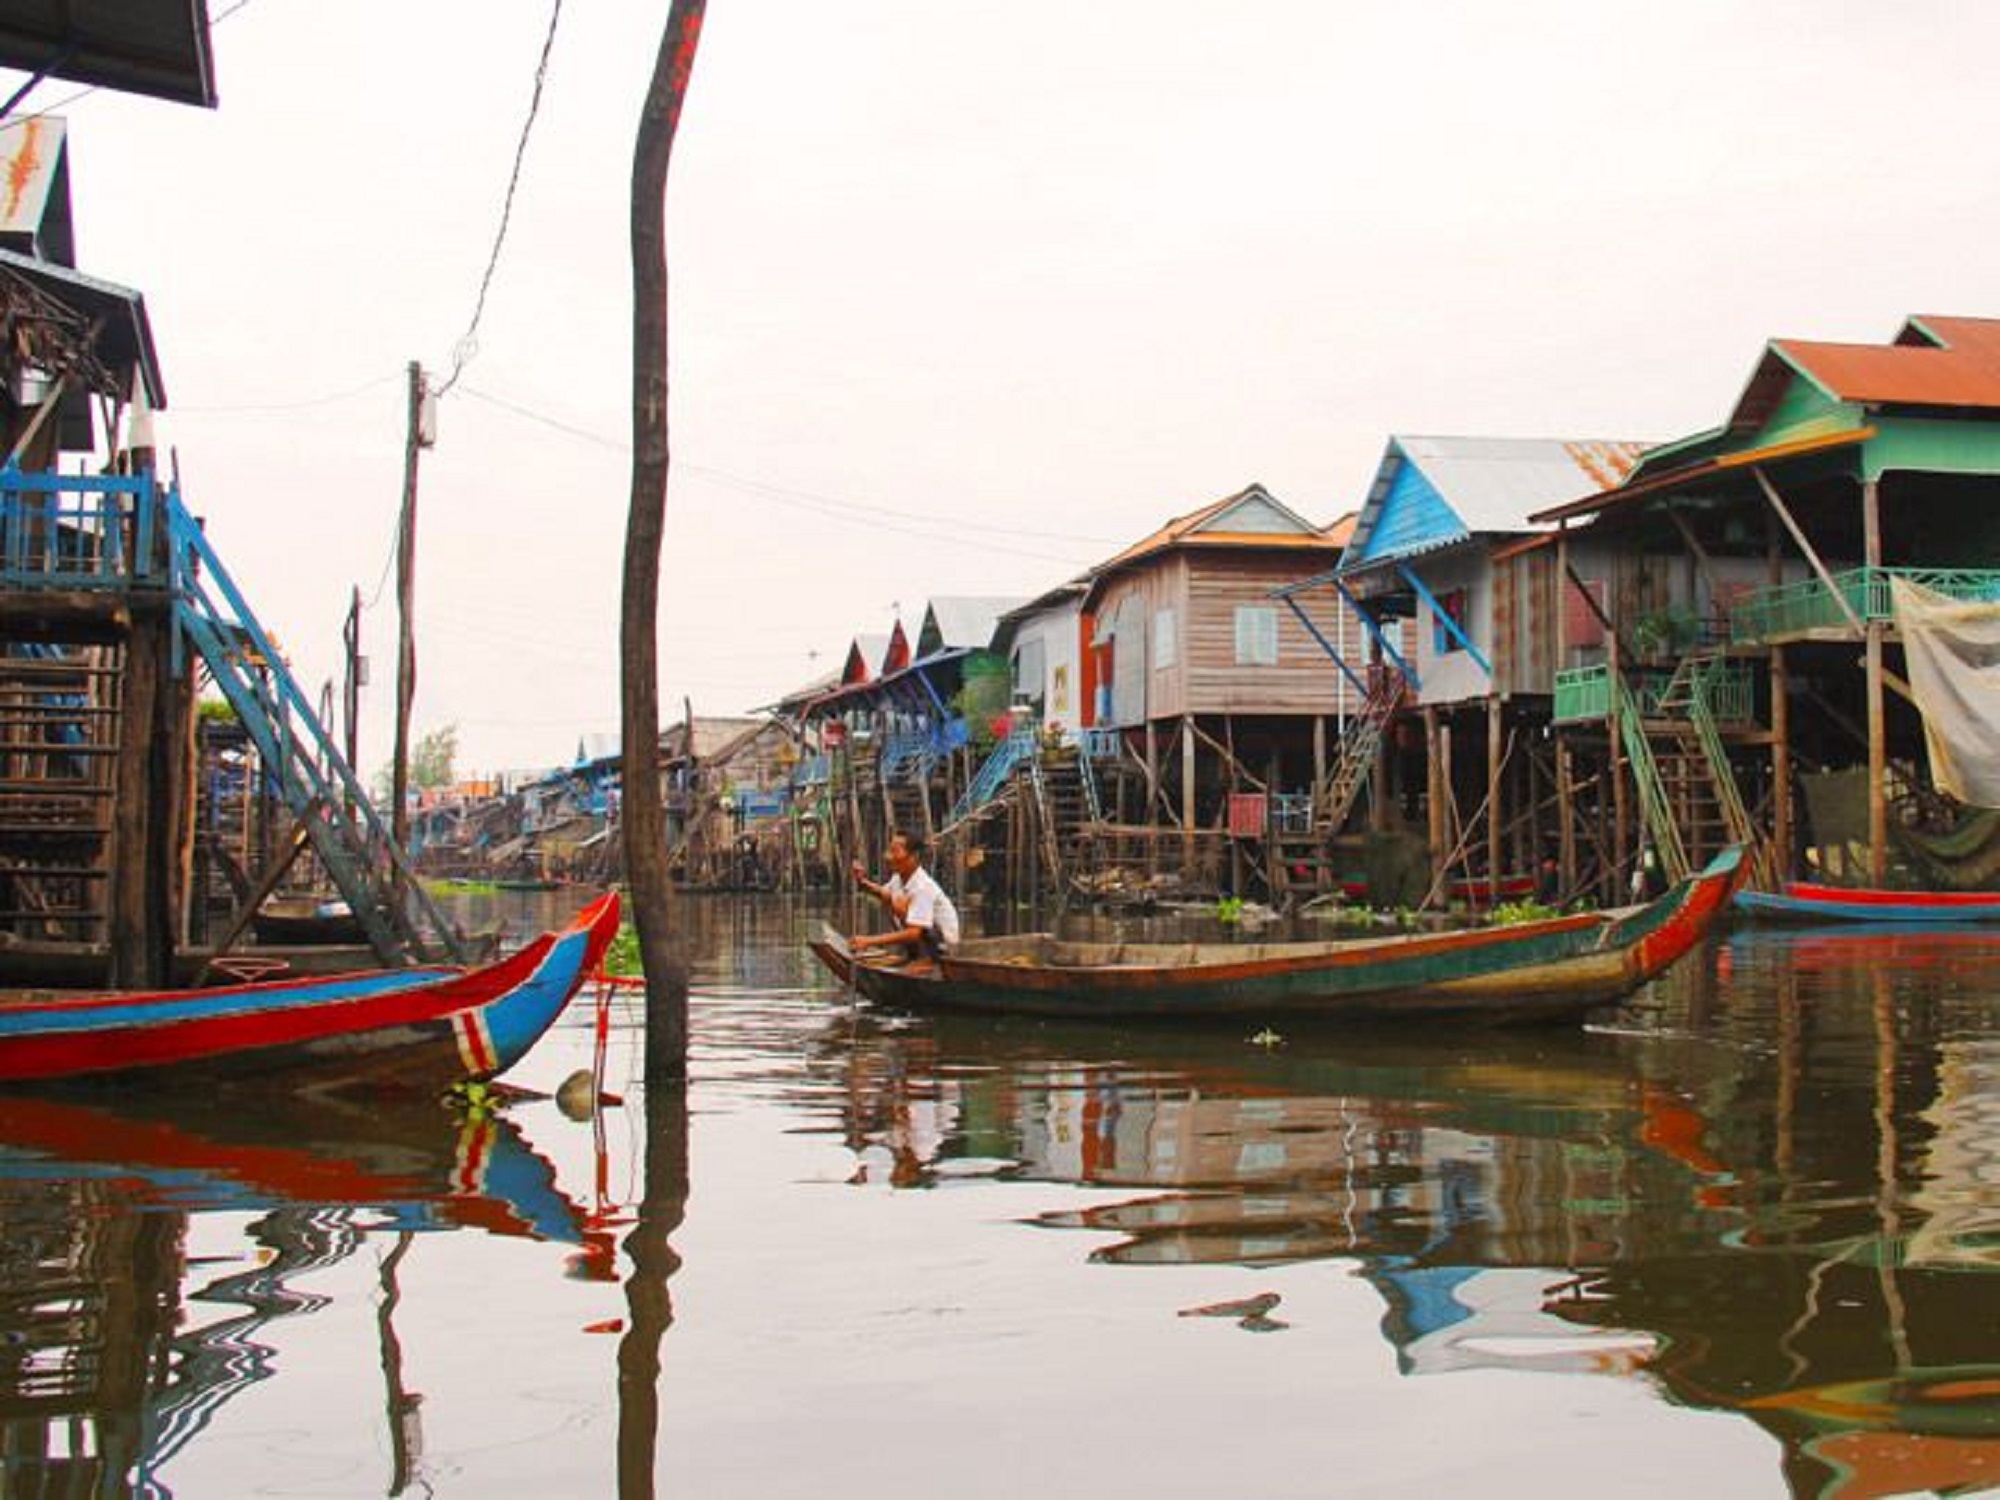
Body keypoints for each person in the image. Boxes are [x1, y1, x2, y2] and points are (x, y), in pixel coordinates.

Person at [850, 831, 960, 969]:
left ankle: (928, 961)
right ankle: (915, 956)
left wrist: (869, 941)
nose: (888, 857)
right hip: (925, 941)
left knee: (901, 904)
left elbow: (914, 933)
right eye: (889, 851)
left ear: (914, 856)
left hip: (944, 950)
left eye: (895, 851)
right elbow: (884, 893)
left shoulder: (923, 887)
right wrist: (862, 881)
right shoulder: (899, 878)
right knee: (893, 900)